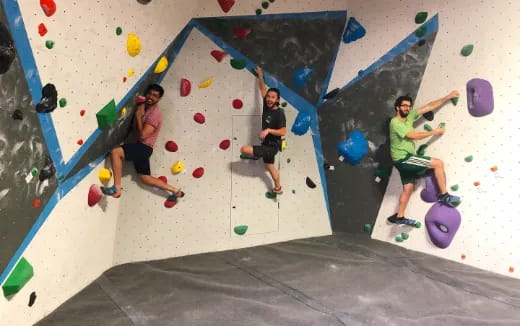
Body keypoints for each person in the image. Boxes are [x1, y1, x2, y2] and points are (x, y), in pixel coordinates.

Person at [102, 84, 184, 203]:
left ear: (159, 99)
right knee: (145, 178)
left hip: (143, 147)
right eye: (149, 93)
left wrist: (139, 116)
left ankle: (117, 188)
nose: (151, 97)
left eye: (155, 95)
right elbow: (136, 129)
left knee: (116, 152)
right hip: (143, 148)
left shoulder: (155, 114)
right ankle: (175, 190)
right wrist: (139, 115)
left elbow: (142, 135)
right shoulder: (145, 108)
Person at [388, 91, 460, 224]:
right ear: (397, 107)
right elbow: (413, 136)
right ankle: (444, 195)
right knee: (438, 163)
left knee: (408, 188)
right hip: (404, 158)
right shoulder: (395, 122)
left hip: (400, 161)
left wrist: (447, 97)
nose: (407, 108)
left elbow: (429, 106)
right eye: (404, 106)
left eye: (409, 106)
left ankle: (399, 216)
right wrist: (435, 132)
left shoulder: (409, 116)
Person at [240, 67, 286, 194]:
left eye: (272, 97)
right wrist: (260, 75)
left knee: (244, 150)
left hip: (272, 147)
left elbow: (283, 132)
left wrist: (268, 131)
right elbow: (262, 89)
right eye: (268, 97)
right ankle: (278, 189)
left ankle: (256, 155)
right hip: (266, 145)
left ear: (277, 100)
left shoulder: (279, 113)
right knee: (269, 167)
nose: (269, 99)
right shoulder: (267, 105)